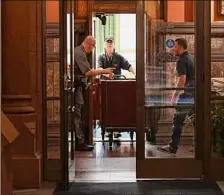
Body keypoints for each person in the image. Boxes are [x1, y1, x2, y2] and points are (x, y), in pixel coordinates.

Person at [74, 36, 115, 151]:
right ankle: (79, 141)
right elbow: (87, 72)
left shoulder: (79, 51)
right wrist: (105, 71)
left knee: (78, 111)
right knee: (77, 112)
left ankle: (80, 140)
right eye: (93, 47)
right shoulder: (79, 53)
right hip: (75, 88)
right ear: (90, 45)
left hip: (78, 87)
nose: (93, 49)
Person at [157, 38, 195, 154]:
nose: (173, 48)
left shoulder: (182, 60)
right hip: (195, 93)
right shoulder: (192, 58)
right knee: (196, 120)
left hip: (186, 95)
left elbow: (182, 80)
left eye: (175, 46)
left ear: (181, 47)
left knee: (177, 120)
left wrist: (174, 95)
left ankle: (173, 147)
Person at [98, 36, 135, 139]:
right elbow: (99, 68)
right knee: (105, 108)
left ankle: (116, 130)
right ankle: (106, 128)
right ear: (104, 45)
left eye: (111, 43)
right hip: (105, 87)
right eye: (107, 43)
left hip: (117, 88)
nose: (109, 44)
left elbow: (128, 66)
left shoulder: (118, 56)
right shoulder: (101, 57)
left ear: (114, 44)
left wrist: (137, 74)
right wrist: (106, 74)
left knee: (117, 107)